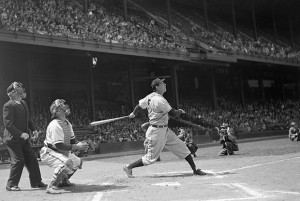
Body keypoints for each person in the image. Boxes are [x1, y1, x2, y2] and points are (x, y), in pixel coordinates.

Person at [123, 78, 207, 178]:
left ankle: (195, 169)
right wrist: (180, 111)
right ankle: (129, 167)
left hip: (164, 130)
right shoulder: (160, 100)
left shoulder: (150, 96)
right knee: (151, 158)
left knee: (182, 147)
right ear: (157, 87)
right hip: (156, 132)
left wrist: (133, 113)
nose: (165, 84)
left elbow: (139, 105)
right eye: (162, 83)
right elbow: (174, 114)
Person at [2, 81, 47, 191]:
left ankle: (36, 182)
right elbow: (8, 124)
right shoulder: (8, 106)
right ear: (12, 93)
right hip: (13, 139)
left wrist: (34, 129)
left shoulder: (23, 103)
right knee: (19, 160)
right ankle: (11, 184)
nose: (21, 91)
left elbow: (28, 119)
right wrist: (20, 134)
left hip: (23, 138)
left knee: (32, 159)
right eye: (18, 90)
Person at [40, 99, 89, 194]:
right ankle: (51, 186)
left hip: (60, 152)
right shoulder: (55, 125)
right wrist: (77, 147)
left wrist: (83, 144)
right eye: (62, 106)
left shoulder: (67, 123)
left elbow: (73, 141)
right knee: (67, 163)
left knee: (77, 162)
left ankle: (63, 181)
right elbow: (59, 146)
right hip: (50, 152)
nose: (65, 107)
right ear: (57, 111)